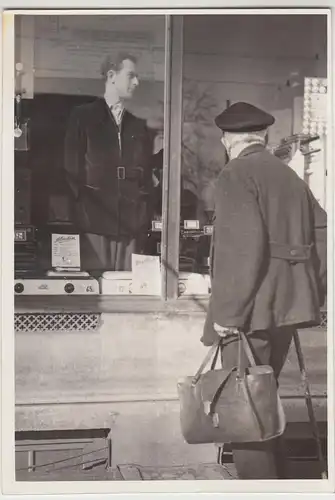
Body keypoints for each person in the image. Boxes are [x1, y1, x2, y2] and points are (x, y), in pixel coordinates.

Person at [202, 102, 327, 479]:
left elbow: (241, 251)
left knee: (244, 413)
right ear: (266, 136)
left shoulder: (236, 174)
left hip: (248, 314)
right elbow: (322, 235)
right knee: (264, 402)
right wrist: (313, 294)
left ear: (227, 139)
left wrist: (226, 315)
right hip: (286, 311)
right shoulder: (289, 177)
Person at [64, 53, 154, 272]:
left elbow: (144, 175)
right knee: (93, 290)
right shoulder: (83, 117)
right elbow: (70, 169)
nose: (136, 83)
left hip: (129, 223)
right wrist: (81, 207)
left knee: (126, 290)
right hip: (93, 221)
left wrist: (141, 210)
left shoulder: (137, 125)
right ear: (112, 76)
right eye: (131, 75)